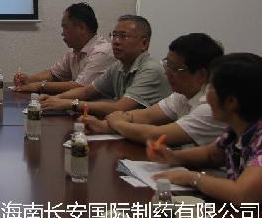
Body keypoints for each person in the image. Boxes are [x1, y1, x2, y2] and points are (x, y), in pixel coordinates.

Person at [151, 53, 262, 213]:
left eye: (210, 88)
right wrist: (174, 157)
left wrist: (192, 178)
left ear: (231, 102)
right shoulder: (237, 130)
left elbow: (244, 195)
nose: (205, 96)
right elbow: (211, 155)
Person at [80, 32, 225, 146]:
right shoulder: (183, 94)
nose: (167, 73)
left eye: (175, 69)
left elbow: (156, 135)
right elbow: (147, 116)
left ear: (201, 75)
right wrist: (102, 125)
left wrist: (118, 123)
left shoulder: (210, 107)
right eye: (167, 64)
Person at [40, 14, 170, 117]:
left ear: (144, 43)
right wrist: (54, 99)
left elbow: (118, 108)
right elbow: (87, 91)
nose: (116, 41)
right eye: (114, 35)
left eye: (123, 36)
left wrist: (70, 104)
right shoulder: (118, 66)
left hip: (158, 138)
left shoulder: (150, 69)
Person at [13, 2, 114, 94]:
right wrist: (29, 79)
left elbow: (80, 87)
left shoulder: (102, 52)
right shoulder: (75, 51)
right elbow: (54, 74)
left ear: (82, 28)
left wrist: (40, 86)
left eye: (65, 27)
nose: (62, 33)